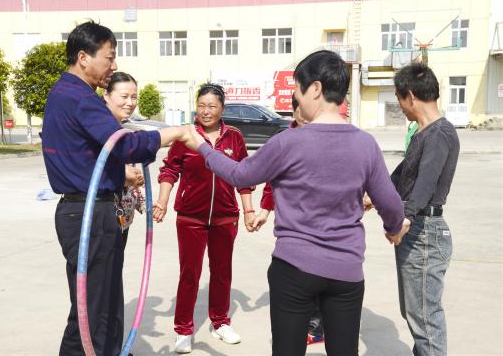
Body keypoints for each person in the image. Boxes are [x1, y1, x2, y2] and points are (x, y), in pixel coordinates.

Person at [184, 50, 410, 356]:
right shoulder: (365, 144)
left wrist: (202, 147)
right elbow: (390, 204)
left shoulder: (287, 142)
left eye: (297, 88)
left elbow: (239, 174)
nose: (295, 96)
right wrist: (395, 229)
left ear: (315, 88)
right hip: (346, 271)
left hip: (294, 269)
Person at [42, 21, 190, 356]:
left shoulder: (66, 94)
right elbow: (124, 145)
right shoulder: (81, 98)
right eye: (109, 58)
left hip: (92, 210)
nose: (114, 65)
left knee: (105, 304)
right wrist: (176, 133)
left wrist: (120, 177)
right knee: (90, 316)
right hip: (89, 214)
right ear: (84, 57)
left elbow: (88, 157)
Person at [153, 83, 254, 354]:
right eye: (201, 105)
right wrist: (162, 201)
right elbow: (170, 170)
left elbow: (244, 176)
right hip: (190, 219)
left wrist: (249, 211)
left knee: (222, 272)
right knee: (190, 273)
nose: (206, 111)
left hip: (225, 218)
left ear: (222, 108)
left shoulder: (234, 137)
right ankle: (183, 330)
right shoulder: (186, 136)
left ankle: (220, 322)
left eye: (212, 106)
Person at [390, 63, 459, 356]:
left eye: (399, 100)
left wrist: (404, 217)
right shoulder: (424, 133)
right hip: (418, 232)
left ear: (410, 96)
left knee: (425, 321)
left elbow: (426, 182)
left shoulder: (440, 133)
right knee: (415, 314)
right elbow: (402, 173)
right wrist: (374, 195)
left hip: (425, 234)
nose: (402, 108)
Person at [253, 94, 325, 346]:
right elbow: (270, 180)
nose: (306, 118)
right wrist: (264, 210)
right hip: (293, 228)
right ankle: (305, 326)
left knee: (319, 274)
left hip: (322, 224)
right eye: (301, 113)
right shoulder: (283, 142)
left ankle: (316, 328)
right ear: (294, 112)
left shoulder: (324, 138)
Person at [102, 71, 146, 246]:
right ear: (106, 95)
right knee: (101, 271)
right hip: (103, 214)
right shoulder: (100, 129)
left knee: (114, 270)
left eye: (134, 97)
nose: (130, 103)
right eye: (124, 96)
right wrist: (123, 174)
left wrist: (133, 180)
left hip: (121, 216)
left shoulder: (121, 129)